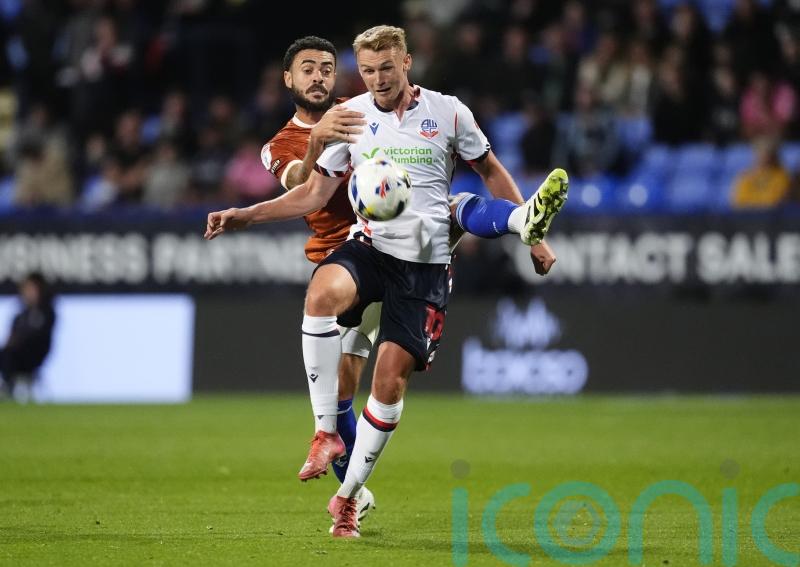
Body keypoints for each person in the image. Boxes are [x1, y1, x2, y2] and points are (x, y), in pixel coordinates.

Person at [205, 26, 569, 538]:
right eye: (368, 71)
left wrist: (535, 237)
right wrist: (246, 213)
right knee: (326, 316)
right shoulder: (336, 124)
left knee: (389, 381)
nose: (377, 79)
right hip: (365, 249)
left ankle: (348, 494)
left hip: (424, 263)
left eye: (385, 68)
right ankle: (327, 438)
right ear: (290, 78)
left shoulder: (446, 111)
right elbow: (307, 190)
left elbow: (489, 167)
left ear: (407, 63)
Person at [0, 273, 56, 403]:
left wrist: (19, 342)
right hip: (14, 354)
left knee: (9, 354)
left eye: (31, 289)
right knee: (6, 354)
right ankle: (8, 385)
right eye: (26, 289)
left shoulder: (47, 313)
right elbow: (11, 336)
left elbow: (40, 337)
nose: (28, 293)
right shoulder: (20, 316)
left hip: (34, 355)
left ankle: (8, 386)